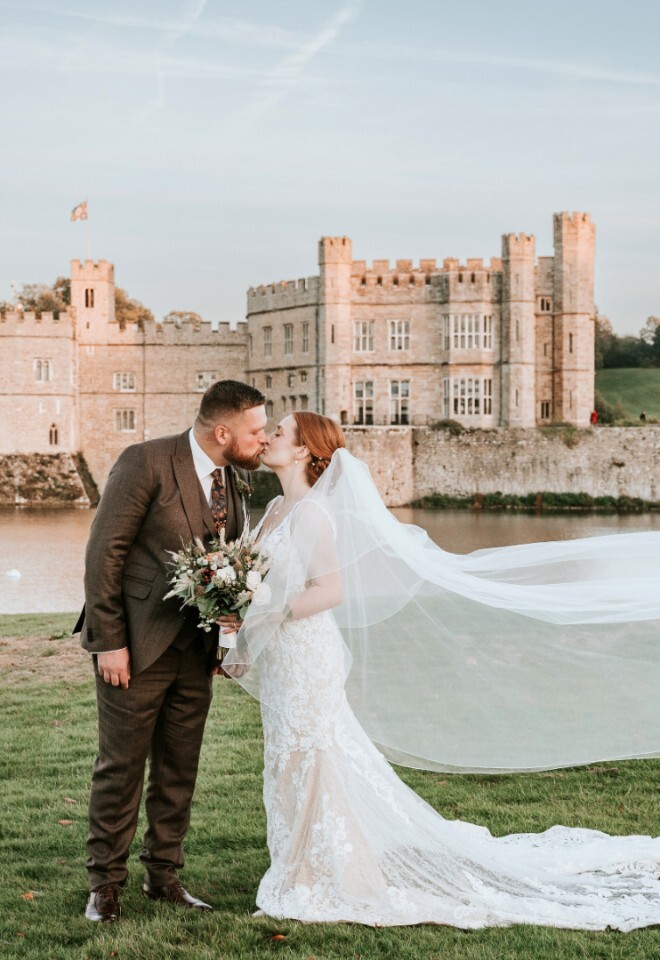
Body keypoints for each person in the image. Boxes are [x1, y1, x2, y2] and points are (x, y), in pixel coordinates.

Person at [223, 411, 660, 930]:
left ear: (302, 450)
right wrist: (242, 623)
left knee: (312, 757)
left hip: (306, 656)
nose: (267, 438)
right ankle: (300, 862)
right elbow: (259, 583)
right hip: (281, 657)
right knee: (286, 759)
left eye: (278, 432)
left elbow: (330, 591)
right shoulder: (274, 509)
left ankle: (316, 874)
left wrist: (270, 613)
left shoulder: (314, 514)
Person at [75, 380, 267, 922]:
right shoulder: (146, 461)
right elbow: (103, 554)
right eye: (256, 430)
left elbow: (228, 565)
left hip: (196, 652)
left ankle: (163, 877)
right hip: (135, 647)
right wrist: (110, 642)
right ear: (222, 431)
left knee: (179, 769)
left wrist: (228, 638)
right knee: (121, 768)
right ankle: (104, 885)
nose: (263, 438)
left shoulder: (233, 477)